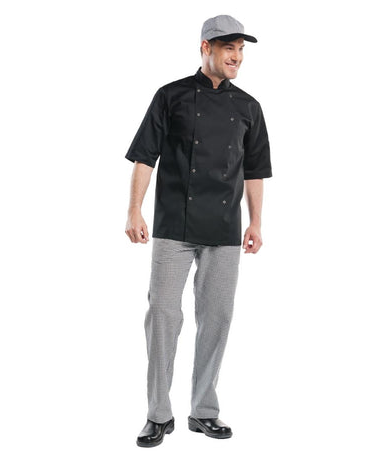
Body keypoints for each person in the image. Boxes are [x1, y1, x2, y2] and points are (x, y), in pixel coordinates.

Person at [124, 14, 272, 448]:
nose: (236, 57)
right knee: (162, 316)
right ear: (205, 47)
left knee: (217, 318)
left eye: (241, 49)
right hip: (174, 224)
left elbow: (255, 170)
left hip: (224, 228)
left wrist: (256, 221)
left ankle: (204, 410)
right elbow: (145, 157)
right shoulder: (169, 96)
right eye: (228, 48)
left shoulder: (249, 107)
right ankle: (158, 414)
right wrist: (134, 210)